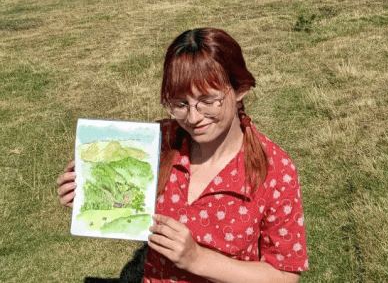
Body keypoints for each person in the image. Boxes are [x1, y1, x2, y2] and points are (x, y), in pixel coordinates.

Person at [57, 28, 308, 283]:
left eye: (208, 101)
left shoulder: (275, 171)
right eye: (180, 104)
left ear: (240, 88)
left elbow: (285, 275)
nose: (193, 117)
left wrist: (197, 259)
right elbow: (123, 201)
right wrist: (88, 193)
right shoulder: (159, 142)